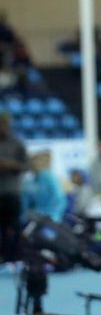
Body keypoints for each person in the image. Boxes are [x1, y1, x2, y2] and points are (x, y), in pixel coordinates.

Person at [0, 112, 28, 263]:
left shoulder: (17, 144)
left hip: (12, 192)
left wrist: (11, 165)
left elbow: (27, 165)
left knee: (14, 226)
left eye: (5, 124)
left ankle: (16, 256)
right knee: (2, 228)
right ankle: (3, 257)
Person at [21, 151, 66, 224]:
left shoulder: (46, 176)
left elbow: (58, 200)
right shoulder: (33, 180)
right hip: (39, 218)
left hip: (48, 218)